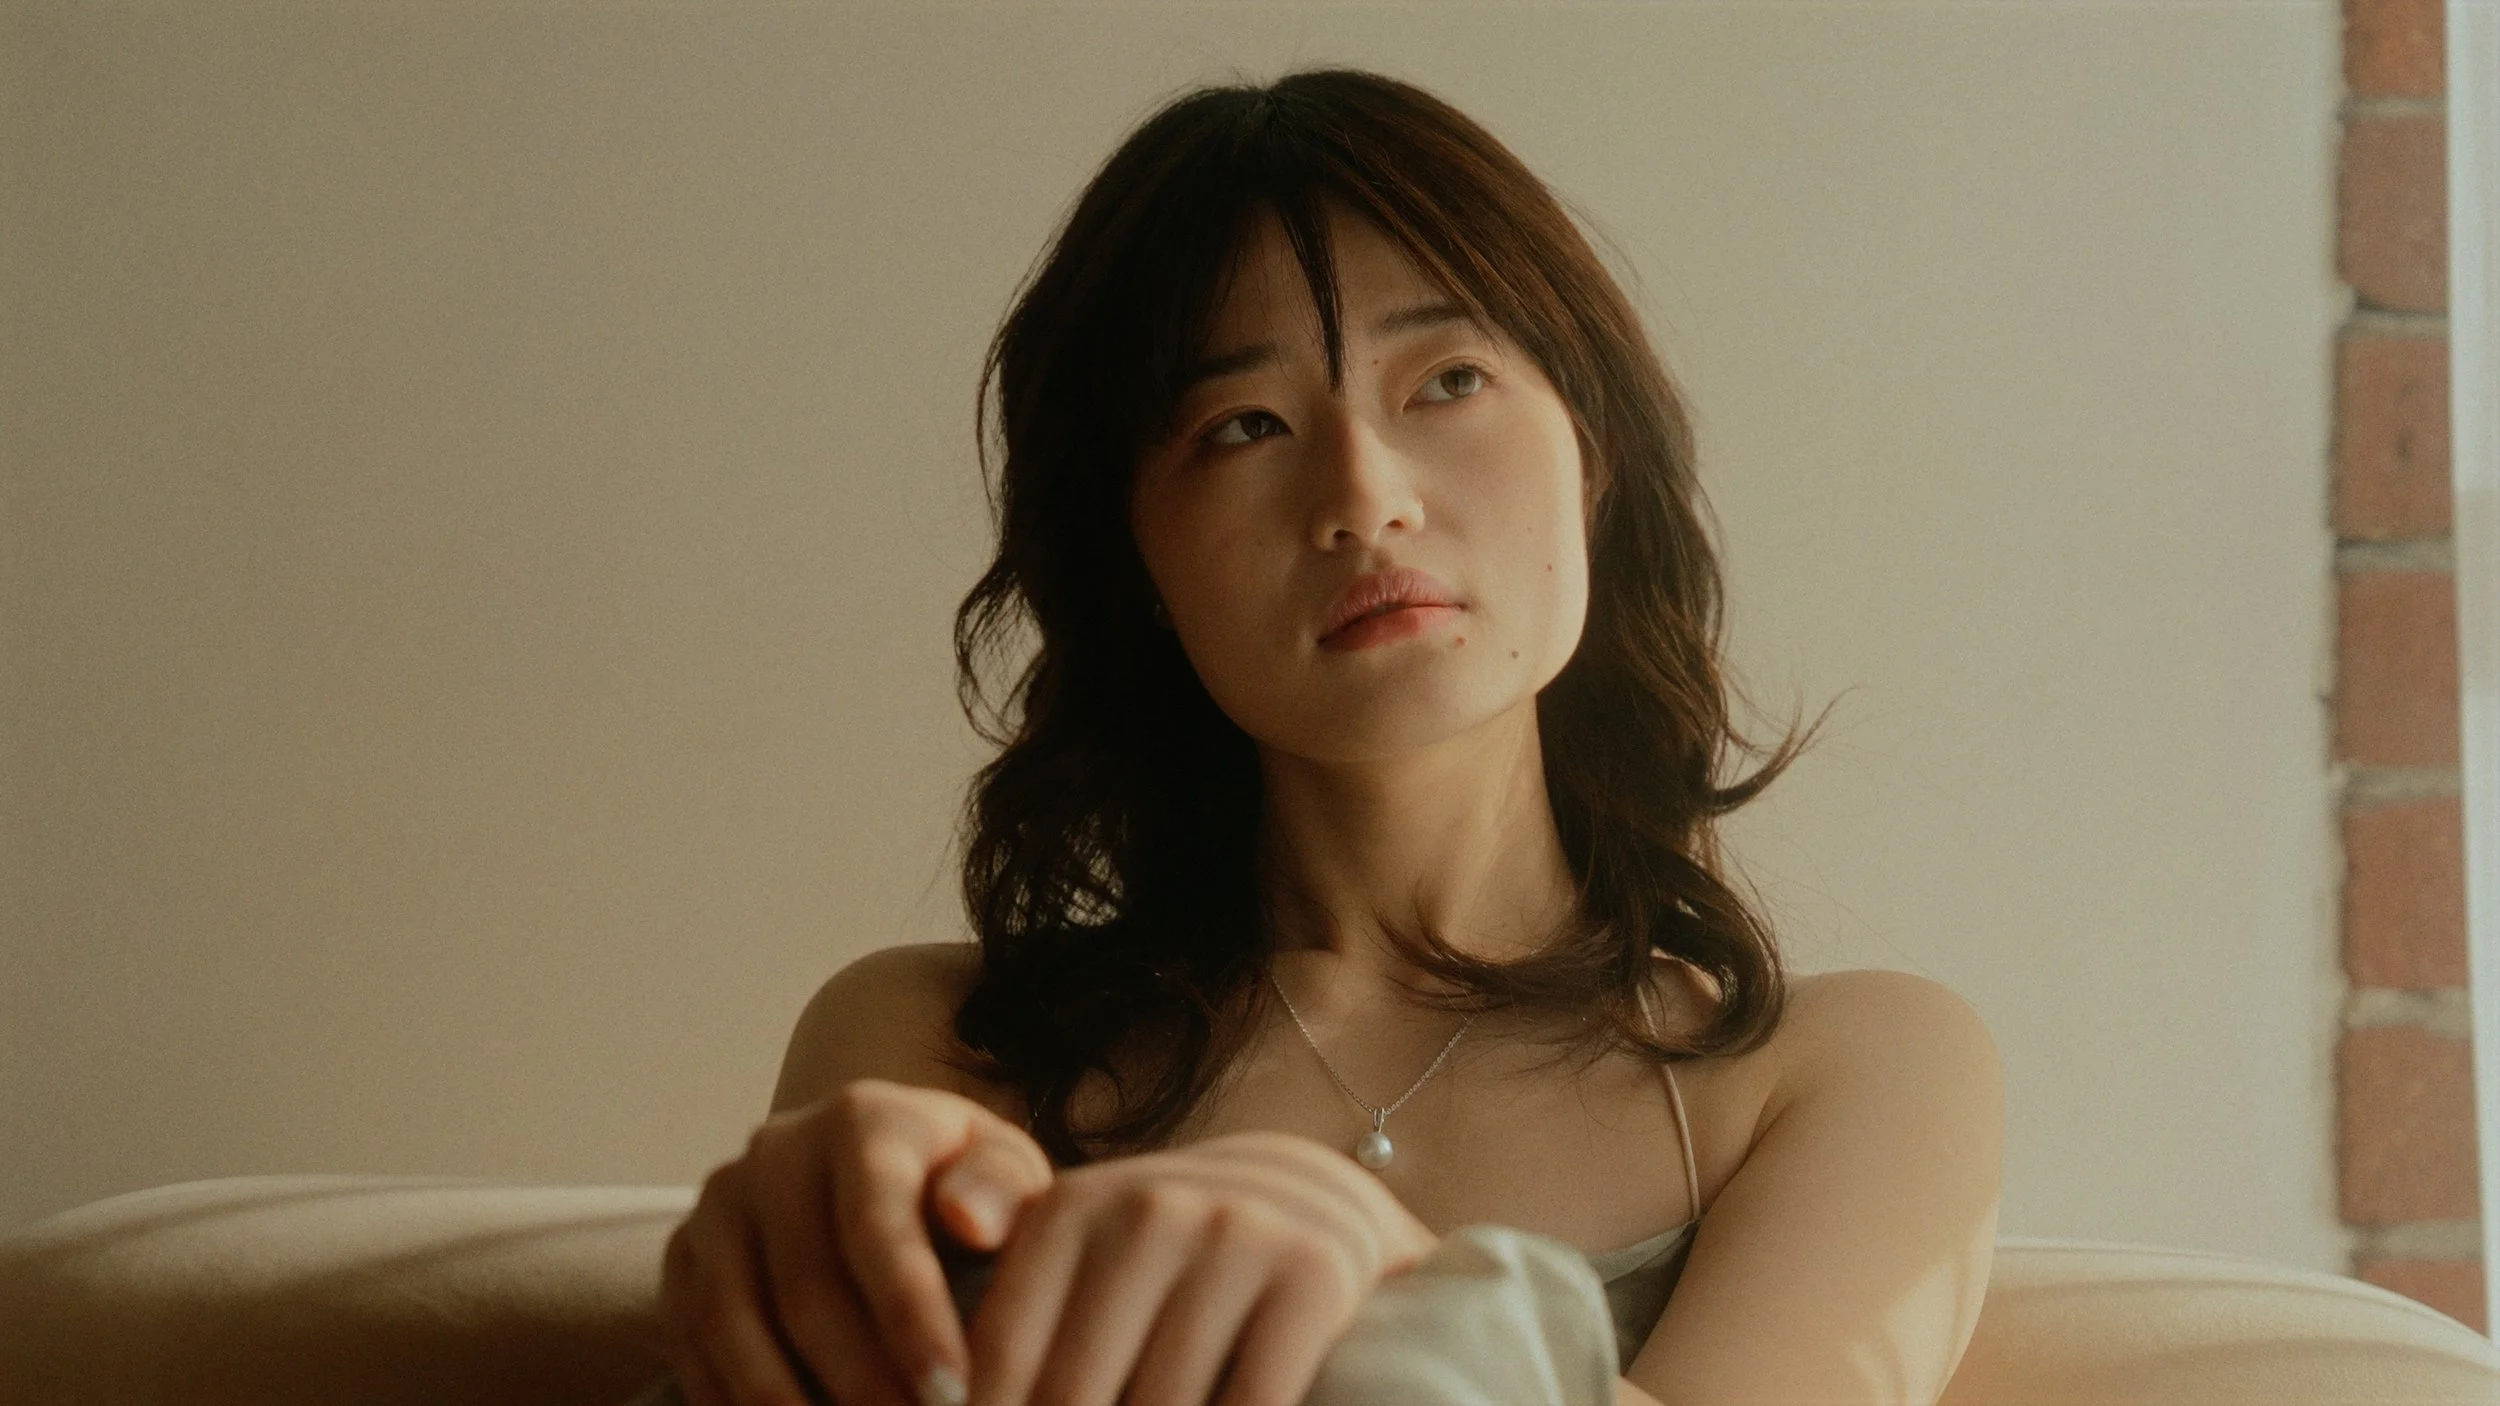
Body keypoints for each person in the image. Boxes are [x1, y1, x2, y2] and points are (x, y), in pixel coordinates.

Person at [652, 66, 2005, 1406]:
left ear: (1591, 458)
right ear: (1137, 564)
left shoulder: (1851, 1068)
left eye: (1450, 379)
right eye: (1245, 425)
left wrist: (1374, 1271)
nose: (1364, 497)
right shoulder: (945, 1047)